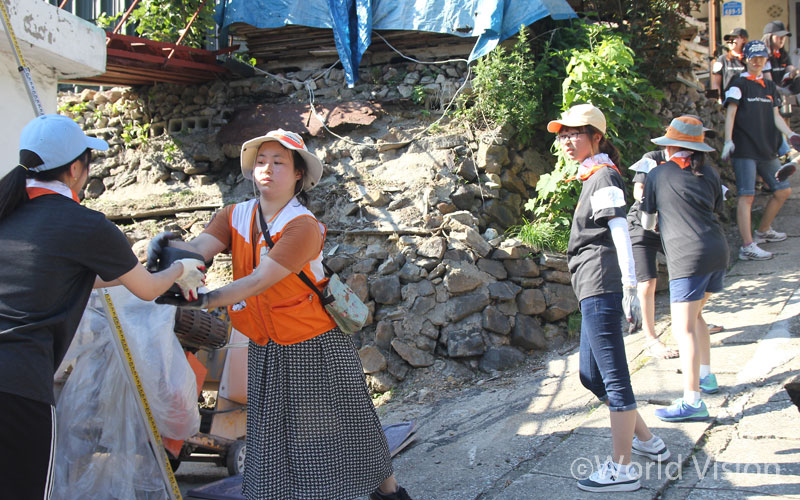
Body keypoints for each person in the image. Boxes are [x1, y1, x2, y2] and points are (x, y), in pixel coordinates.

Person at [148, 129, 412, 500]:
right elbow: (200, 249)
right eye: (261, 161)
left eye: (278, 162)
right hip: (266, 343)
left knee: (350, 424)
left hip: (315, 342)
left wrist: (205, 300)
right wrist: (169, 248)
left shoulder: (302, 225)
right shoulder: (234, 215)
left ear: (298, 173)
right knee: (271, 434)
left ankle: (389, 492)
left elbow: (260, 280)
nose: (267, 169)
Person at [0, 114, 205, 500]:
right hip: (18, 387)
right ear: (76, 169)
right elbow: (147, 290)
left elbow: (73, 276)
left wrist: (138, 267)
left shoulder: (6, 209)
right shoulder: (84, 225)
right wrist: (179, 270)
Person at [548, 104, 670, 493]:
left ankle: (623, 468)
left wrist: (631, 287)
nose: (567, 141)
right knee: (590, 375)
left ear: (596, 137)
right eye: (563, 135)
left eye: (574, 134)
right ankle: (648, 441)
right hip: (590, 286)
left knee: (615, 379)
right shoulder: (593, 174)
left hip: (601, 285)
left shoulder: (603, 176)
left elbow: (620, 230)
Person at [640, 116, 729, 422]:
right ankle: (706, 376)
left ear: (670, 147)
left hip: (687, 258)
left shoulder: (658, 173)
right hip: (718, 251)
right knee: (697, 316)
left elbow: (647, 222)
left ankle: (692, 401)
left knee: (683, 329)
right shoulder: (710, 172)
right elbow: (716, 208)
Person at [722, 40, 797, 261]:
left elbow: (776, 116)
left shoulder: (769, 86)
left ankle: (763, 231)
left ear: (766, 59)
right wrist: (728, 140)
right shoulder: (738, 83)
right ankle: (747, 246)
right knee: (747, 196)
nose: (757, 61)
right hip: (744, 148)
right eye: (753, 57)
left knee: (783, 190)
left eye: (761, 57)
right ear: (746, 59)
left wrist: (791, 135)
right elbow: (731, 114)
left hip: (767, 148)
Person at [762, 20, 800, 94]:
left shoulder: (783, 54)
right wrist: (785, 92)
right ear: (769, 37)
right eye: (779, 36)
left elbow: (789, 71)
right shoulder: (763, 55)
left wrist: (795, 73)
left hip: (780, 94)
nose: (782, 39)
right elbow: (769, 83)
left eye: (784, 36)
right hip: (767, 95)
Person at [711, 28, 749, 99]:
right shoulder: (721, 60)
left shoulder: (749, 59)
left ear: (743, 40)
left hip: (746, 100)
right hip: (727, 100)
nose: (730, 41)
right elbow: (716, 83)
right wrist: (718, 99)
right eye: (729, 39)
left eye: (734, 38)